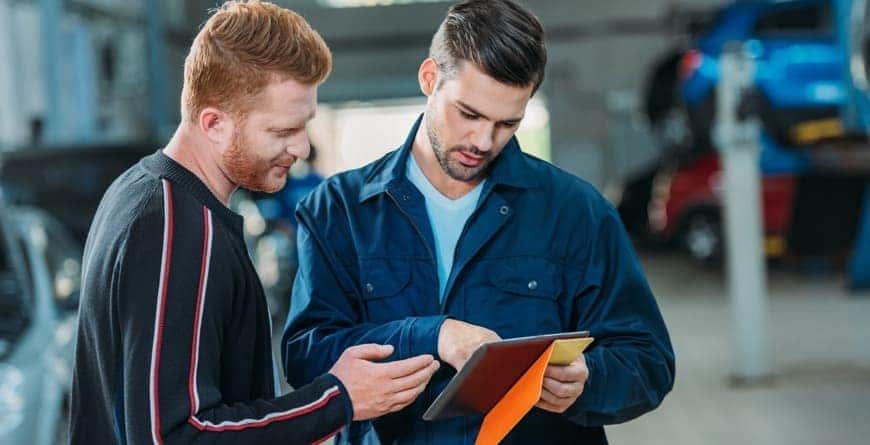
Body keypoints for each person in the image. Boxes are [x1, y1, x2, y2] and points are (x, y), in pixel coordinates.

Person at [281, 1, 675, 443]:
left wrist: (589, 380)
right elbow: (307, 356)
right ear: (430, 78)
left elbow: (648, 359)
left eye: (508, 123)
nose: (483, 141)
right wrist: (431, 336)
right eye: (468, 114)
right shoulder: (338, 211)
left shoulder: (577, 212)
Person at [68, 2, 439, 444]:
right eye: (282, 132)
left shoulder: (149, 194)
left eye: (305, 126)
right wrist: (336, 400)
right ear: (214, 123)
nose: (301, 148)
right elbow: (175, 435)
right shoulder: (174, 227)